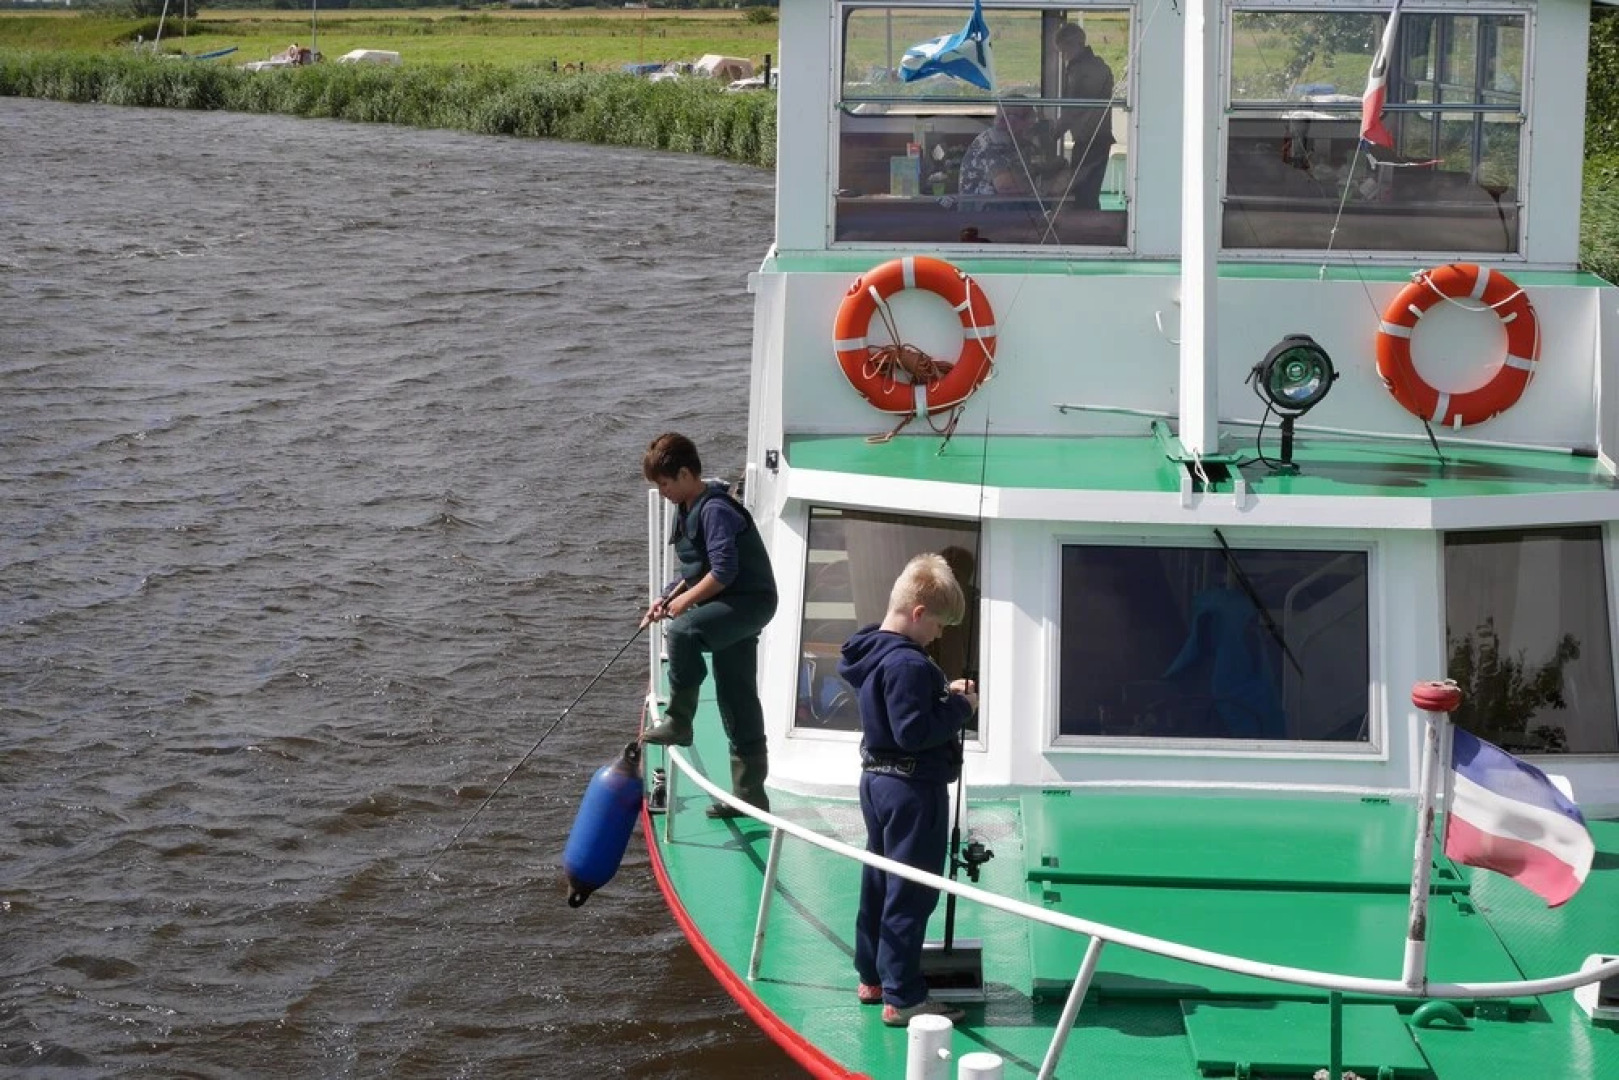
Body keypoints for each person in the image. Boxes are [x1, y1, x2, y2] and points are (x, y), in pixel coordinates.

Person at [838, 554, 979, 1028]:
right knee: (912, 891)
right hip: (912, 789)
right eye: (938, 624)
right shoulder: (910, 665)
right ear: (919, 614)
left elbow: (900, 713)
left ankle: (873, 976)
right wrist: (960, 708)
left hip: (876, 781)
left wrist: (943, 696)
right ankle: (903, 996)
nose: (939, 634)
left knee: (878, 880)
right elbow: (914, 733)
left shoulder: (872, 650)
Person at [639, 433, 778, 818]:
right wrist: (667, 597)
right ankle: (750, 796)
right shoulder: (686, 507)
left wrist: (684, 603)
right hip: (729, 604)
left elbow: (725, 571)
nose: (662, 491)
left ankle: (679, 721)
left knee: (683, 631)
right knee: (737, 695)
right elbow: (696, 569)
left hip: (750, 602)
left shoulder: (715, 509)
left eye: (664, 483)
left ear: (685, 473)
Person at [1053, 22, 1117, 210]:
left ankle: (1088, 235)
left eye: (1064, 51)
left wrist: (1052, 134)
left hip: (1092, 140)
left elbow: (1075, 107)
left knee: (1084, 196)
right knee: (1084, 194)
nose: (1063, 56)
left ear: (1074, 45)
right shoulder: (1091, 67)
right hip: (1091, 139)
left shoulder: (1086, 70)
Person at [955, 99, 1049, 201]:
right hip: (984, 212)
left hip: (1018, 208)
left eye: (1033, 117)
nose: (1032, 123)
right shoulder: (993, 142)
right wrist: (1046, 186)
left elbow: (1041, 168)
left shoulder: (1023, 143)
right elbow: (1005, 186)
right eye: (1027, 117)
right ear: (1009, 119)